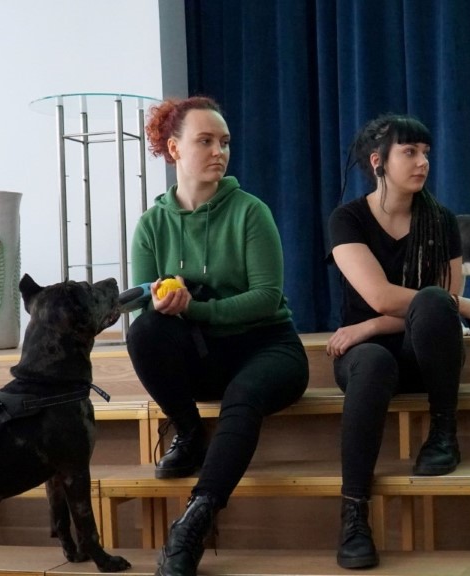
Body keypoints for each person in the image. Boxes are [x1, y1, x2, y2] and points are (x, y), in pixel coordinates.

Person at [127, 96, 309, 576]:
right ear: (173, 149)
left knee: (243, 394)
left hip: (268, 346)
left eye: (224, 142)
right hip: (206, 353)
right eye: (205, 141)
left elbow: (267, 298)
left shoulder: (251, 211)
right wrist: (158, 302)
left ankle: (194, 521)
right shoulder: (151, 224)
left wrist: (197, 309)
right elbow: (145, 298)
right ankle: (189, 432)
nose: (219, 152)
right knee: (144, 331)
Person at [327, 113, 470, 569]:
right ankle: (354, 514)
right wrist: (462, 305)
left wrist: (371, 326)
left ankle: (443, 434)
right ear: (378, 161)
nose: (422, 162)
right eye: (410, 152)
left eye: (426, 153)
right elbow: (379, 296)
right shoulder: (348, 219)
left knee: (436, 302)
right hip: (362, 360)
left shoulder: (441, 221)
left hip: (422, 352)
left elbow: (441, 306)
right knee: (373, 363)